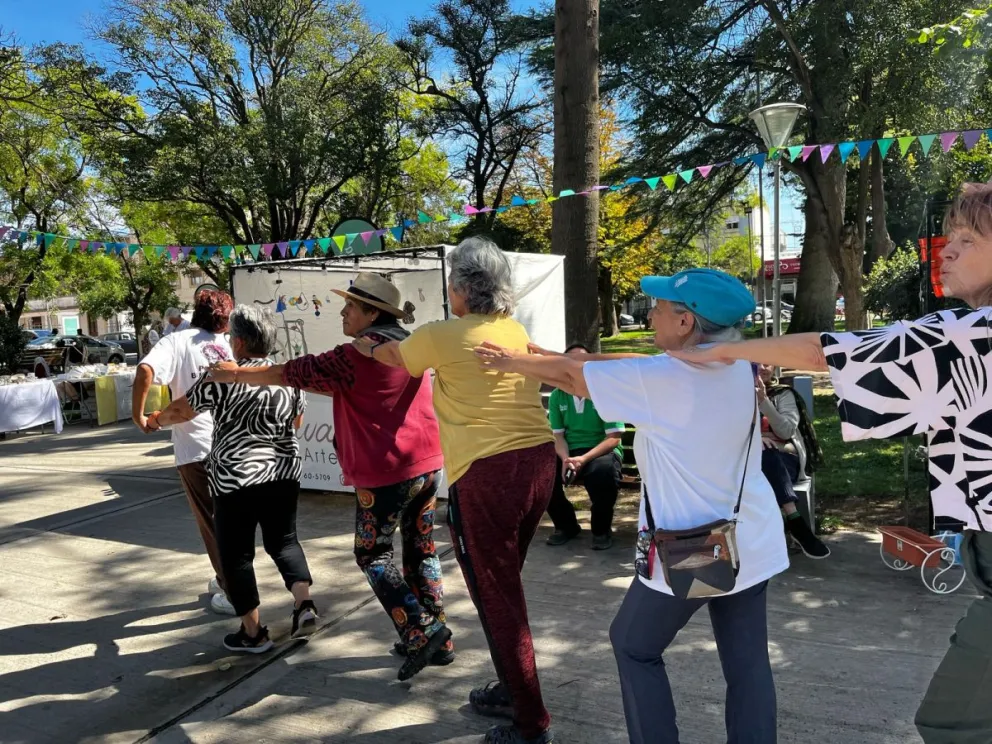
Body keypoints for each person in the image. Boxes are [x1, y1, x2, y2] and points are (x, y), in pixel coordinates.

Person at [667, 182, 992, 744]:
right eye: (950, 236)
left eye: (967, 238)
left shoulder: (973, 335)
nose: (947, 249)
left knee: (950, 723)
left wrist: (720, 350)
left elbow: (832, 352)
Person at [476, 268, 789, 744]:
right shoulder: (737, 362)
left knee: (634, 645)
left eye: (661, 306)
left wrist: (512, 362)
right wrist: (555, 354)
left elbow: (574, 379)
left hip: (698, 547)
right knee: (747, 666)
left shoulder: (661, 380)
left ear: (685, 322)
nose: (652, 312)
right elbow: (625, 359)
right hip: (753, 537)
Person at [351, 237, 556, 744]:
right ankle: (512, 690)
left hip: (489, 475)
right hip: (537, 466)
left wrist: (369, 342)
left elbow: (396, 355)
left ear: (462, 287)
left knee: (499, 598)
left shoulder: (445, 333)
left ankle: (530, 724)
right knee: (499, 592)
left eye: (451, 280)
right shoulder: (512, 327)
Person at [207, 273, 450, 681]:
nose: (343, 312)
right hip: (427, 464)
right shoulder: (410, 346)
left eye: (351, 306)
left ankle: (422, 630)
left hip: (386, 471)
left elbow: (290, 372)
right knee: (422, 550)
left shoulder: (354, 355)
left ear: (372, 313)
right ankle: (437, 639)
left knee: (373, 554)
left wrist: (234, 374)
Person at [148, 305, 316, 652]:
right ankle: (303, 603)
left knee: (236, 555)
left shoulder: (224, 376)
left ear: (238, 342)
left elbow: (181, 410)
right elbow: (296, 424)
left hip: (235, 478)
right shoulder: (285, 377)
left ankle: (253, 634)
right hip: (283, 473)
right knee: (284, 542)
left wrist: (153, 420)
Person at [132, 289, 236, 615]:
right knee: (234, 521)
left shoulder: (177, 342)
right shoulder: (231, 344)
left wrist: (140, 416)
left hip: (197, 449)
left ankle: (235, 593)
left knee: (213, 523)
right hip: (237, 445)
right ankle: (228, 581)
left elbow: (145, 371)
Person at [545, 343, 625, 550]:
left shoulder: (605, 393)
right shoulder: (558, 395)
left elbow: (614, 438)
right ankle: (566, 526)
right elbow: (558, 436)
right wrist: (565, 459)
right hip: (569, 451)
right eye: (571, 361)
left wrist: (583, 459)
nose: (577, 366)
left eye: (583, 362)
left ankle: (601, 531)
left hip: (602, 449)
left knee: (603, 473)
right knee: (542, 474)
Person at [755, 363, 831, 559]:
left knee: (768, 454)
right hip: (747, 458)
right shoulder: (733, 395)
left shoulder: (784, 394)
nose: (763, 367)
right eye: (757, 362)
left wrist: (763, 400)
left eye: (768, 363)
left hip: (784, 458)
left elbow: (786, 431)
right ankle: (795, 522)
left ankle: (792, 522)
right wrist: (756, 440)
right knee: (761, 455)